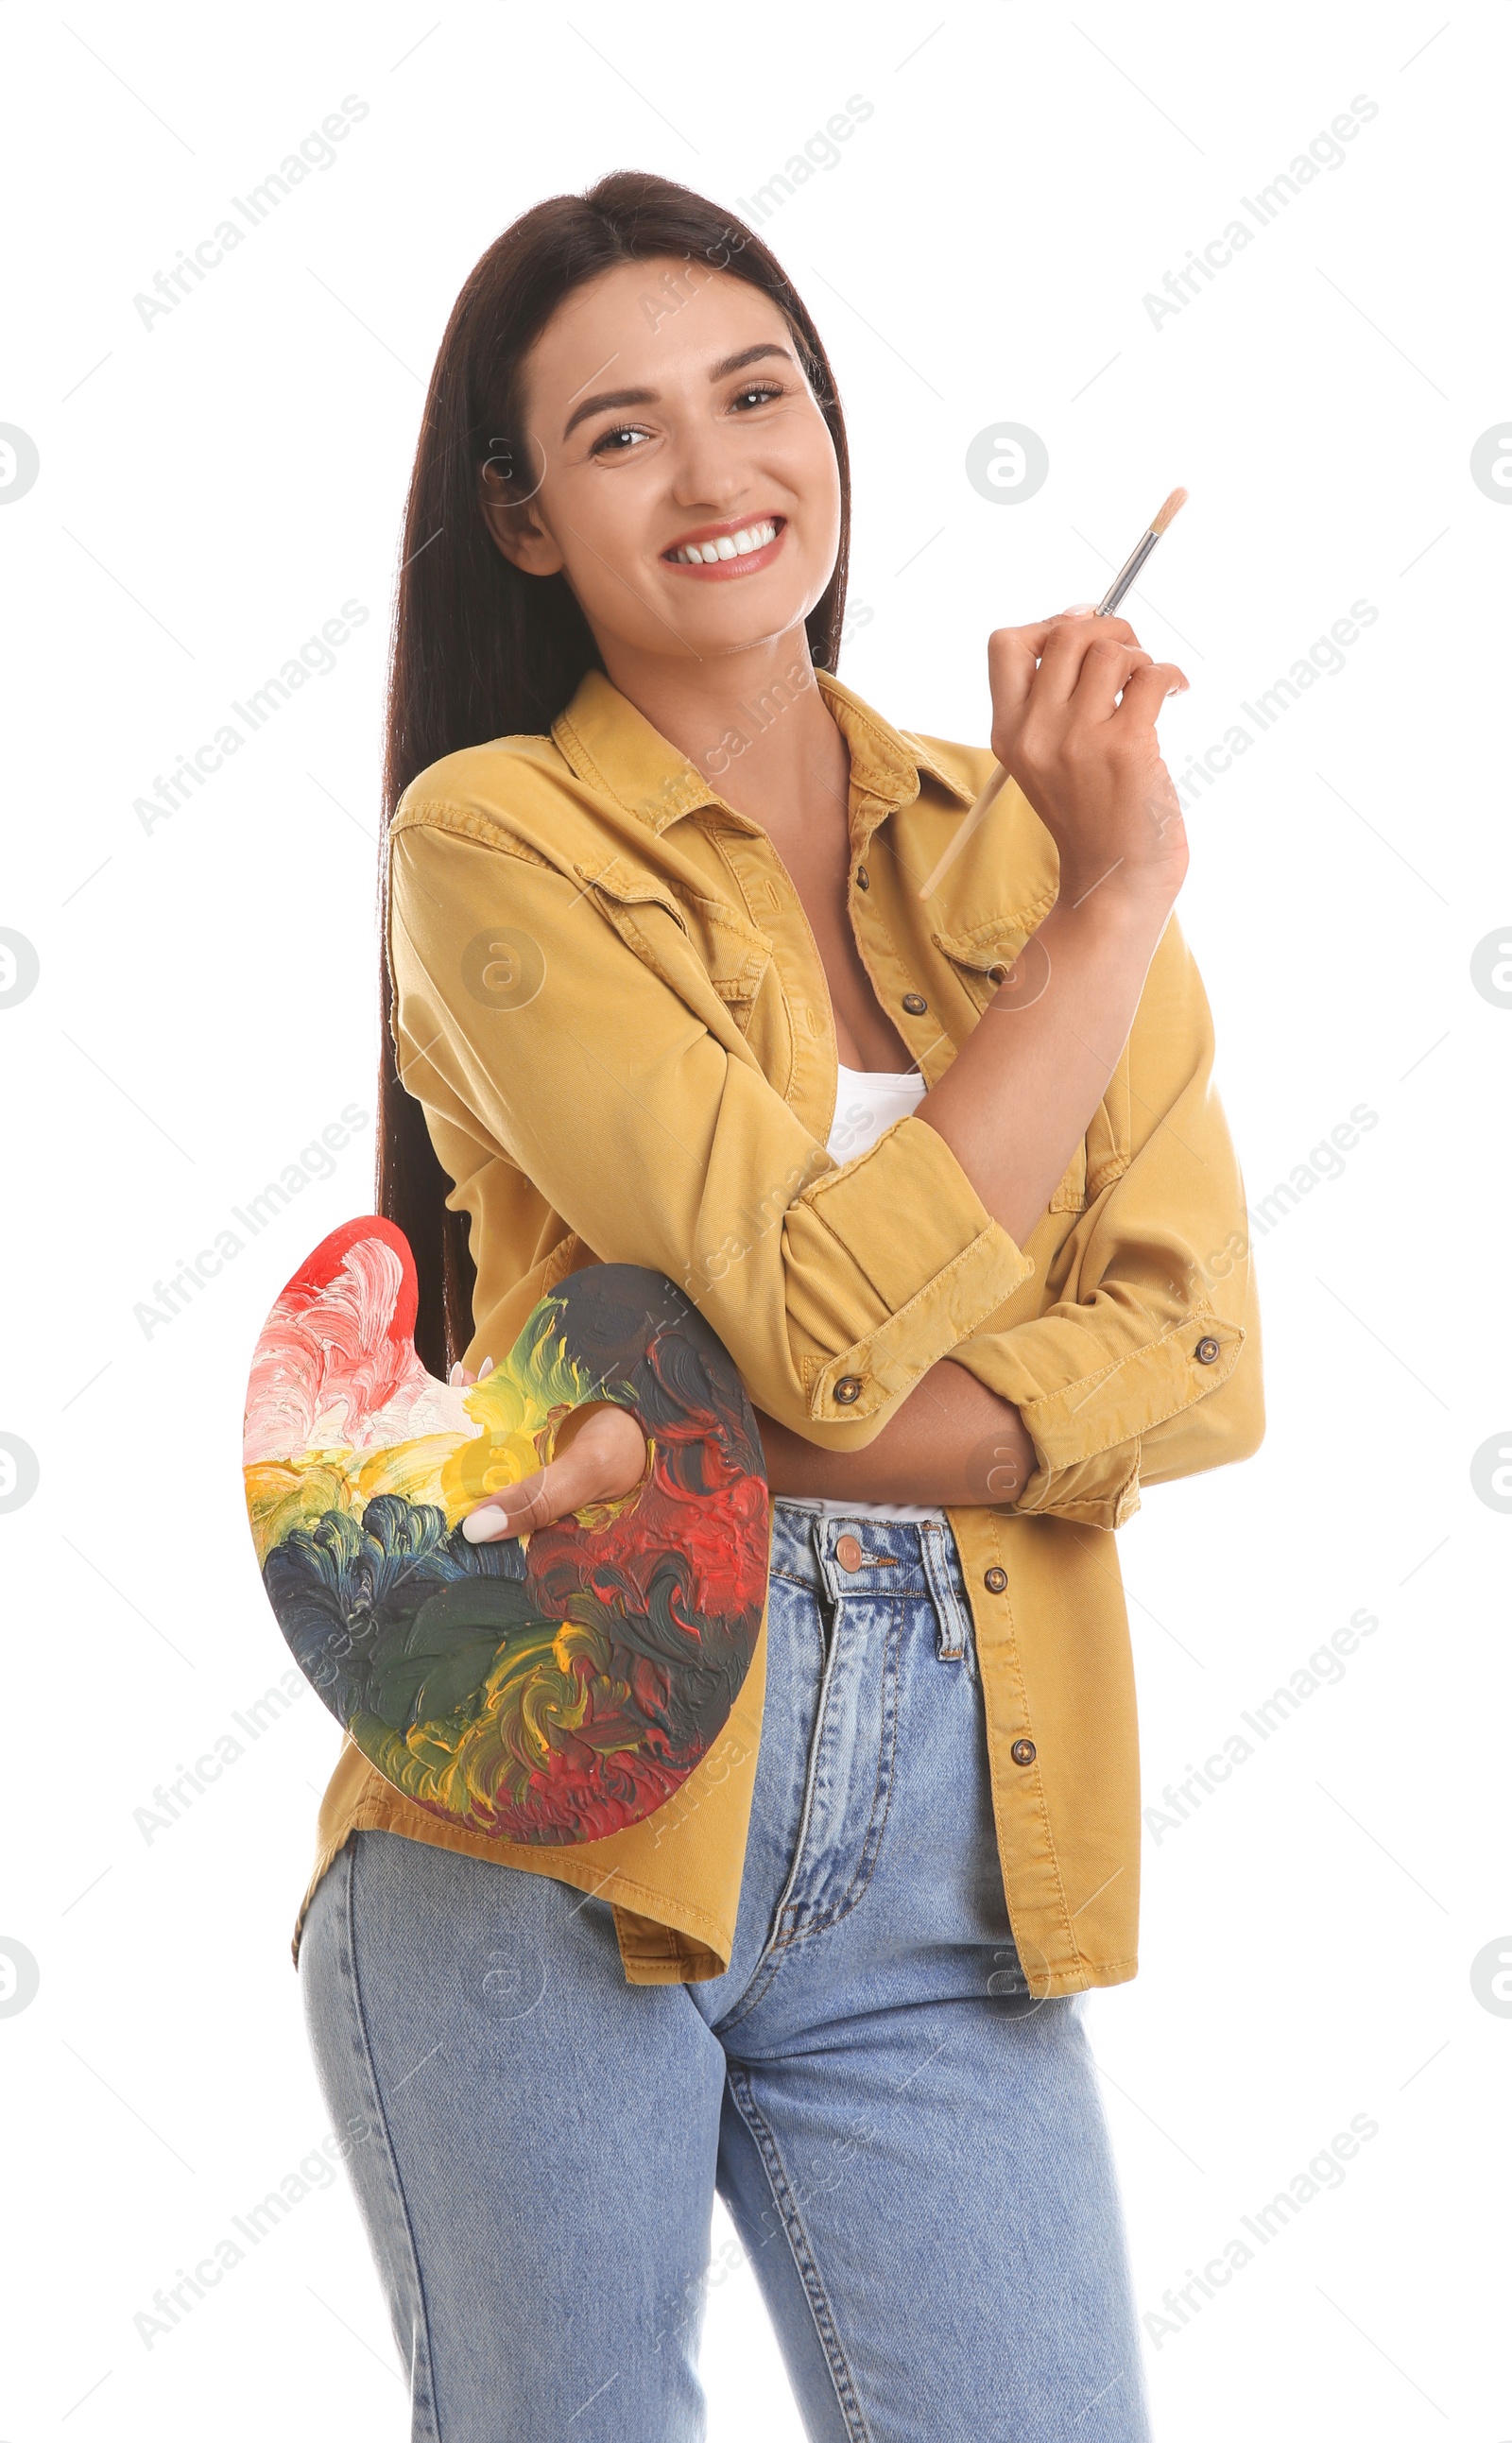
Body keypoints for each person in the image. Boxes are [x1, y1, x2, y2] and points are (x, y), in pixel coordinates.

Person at [298, 169, 1263, 2441]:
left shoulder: (1019, 834)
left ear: (829, 427)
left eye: (757, 395)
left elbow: (1200, 1356)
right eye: (621, 433)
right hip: (553, 1810)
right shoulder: (491, 841)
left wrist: (1095, 889)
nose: (718, 470)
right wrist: (1108, 915)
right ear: (526, 524)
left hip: (953, 1862)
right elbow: (819, 1328)